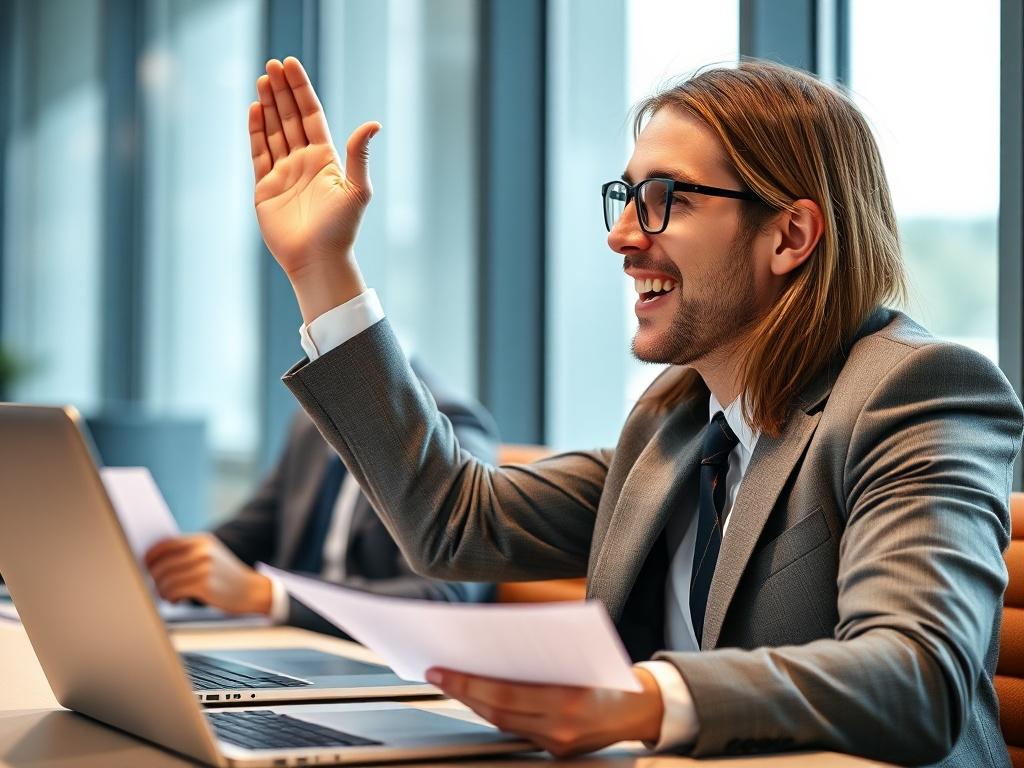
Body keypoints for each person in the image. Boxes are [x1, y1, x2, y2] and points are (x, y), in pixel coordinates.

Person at [244, 55, 1024, 765]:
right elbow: (454, 520)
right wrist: (324, 270)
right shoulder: (679, 422)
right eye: (626, 197)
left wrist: (648, 700)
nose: (622, 236)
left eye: (664, 201)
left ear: (790, 235)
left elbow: (919, 671)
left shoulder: (920, 391)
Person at [145, 360, 498, 634]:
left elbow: (446, 598)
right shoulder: (316, 416)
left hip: (379, 665)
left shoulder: (449, 428)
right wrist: (167, 563)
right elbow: (246, 536)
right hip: (292, 647)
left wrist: (270, 595)